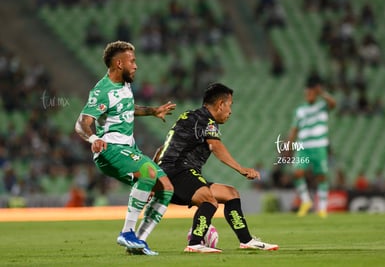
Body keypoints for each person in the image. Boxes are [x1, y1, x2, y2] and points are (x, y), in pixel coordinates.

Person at [74, 41, 176, 256]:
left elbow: (127, 109)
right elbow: (82, 122)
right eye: (132, 61)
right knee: (148, 173)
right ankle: (127, 232)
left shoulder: (125, 85)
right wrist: (93, 138)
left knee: (166, 188)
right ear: (119, 64)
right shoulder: (102, 90)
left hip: (128, 147)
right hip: (110, 149)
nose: (136, 65)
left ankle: (138, 242)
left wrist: (153, 111)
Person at [155, 83, 279, 253]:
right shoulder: (206, 120)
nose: (231, 111)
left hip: (175, 172)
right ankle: (194, 244)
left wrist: (155, 177)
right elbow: (216, 147)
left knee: (231, 194)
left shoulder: (191, 117)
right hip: (179, 171)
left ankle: (247, 240)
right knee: (209, 201)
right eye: (230, 105)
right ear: (221, 104)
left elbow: (163, 148)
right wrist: (241, 169)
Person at [287, 81, 336, 218]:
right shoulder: (300, 110)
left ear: (316, 94)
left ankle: (322, 208)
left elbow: (333, 104)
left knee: (321, 176)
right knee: (297, 172)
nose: (308, 95)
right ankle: (307, 201)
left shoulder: (322, 106)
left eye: (311, 93)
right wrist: (289, 146)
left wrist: (323, 93)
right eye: (306, 93)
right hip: (303, 146)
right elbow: (294, 128)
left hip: (319, 145)